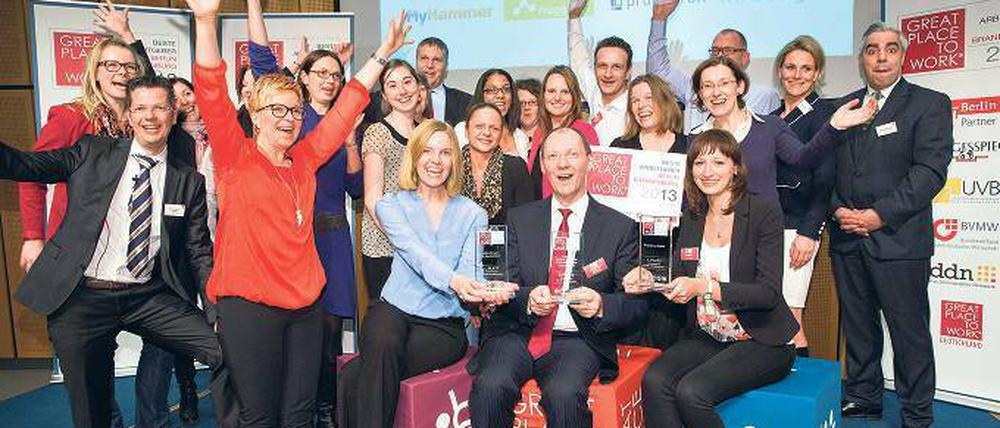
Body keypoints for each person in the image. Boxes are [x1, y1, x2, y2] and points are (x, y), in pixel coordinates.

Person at [186, 0, 410, 424]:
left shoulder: (305, 159)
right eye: (276, 110)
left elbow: (346, 109)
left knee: (300, 413)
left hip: (306, 308)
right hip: (249, 309)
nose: (288, 119)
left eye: (294, 110)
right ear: (254, 113)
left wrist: (382, 53)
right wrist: (204, 19)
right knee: (260, 415)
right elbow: (211, 90)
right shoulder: (235, 157)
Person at [1, 75, 236, 428]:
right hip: (83, 296)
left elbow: (199, 250)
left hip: (148, 296)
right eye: (140, 108)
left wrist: (216, 310)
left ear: (173, 116)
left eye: (159, 107)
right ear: (128, 116)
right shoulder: (92, 151)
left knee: (226, 349)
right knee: (91, 412)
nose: (150, 116)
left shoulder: (189, 180)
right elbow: (28, 166)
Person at [468, 127, 648, 428]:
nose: (562, 164)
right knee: (490, 387)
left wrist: (602, 305)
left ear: (590, 161)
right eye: (553, 156)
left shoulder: (620, 227)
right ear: (543, 165)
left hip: (577, 338)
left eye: (572, 155)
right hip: (516, 333)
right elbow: (500, 282)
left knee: (564, 395)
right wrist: (527, 300)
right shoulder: (517, 219)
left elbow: (636, 306)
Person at [340, 120, 516, 427]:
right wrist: (455, 281)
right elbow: (413, 252)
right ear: (415, 157)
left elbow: (476, 269)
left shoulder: (475, 214)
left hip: (443, 324)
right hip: (393, 308)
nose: (435, 160)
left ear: (454, 160)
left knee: (357, 373)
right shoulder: (391, 205)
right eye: (427, 151)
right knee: (381, 341)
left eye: (445, 152)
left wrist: (484, 290)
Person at [627, 129, 798, 427]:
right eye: (699, 163)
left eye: (718, 163)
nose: (707, 172)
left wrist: (705, 287)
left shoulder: (762, 212)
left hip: (761, 339)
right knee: (654, 380)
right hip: (709, 335)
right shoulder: (693, 214)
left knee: (692, 392)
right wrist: (650, 279)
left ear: (735, 168)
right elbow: (681, 272)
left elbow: (767, 293)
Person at [244, 2, 362, 424]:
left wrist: (350, 146)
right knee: (289, 333)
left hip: (331, 236)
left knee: (329, 333)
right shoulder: (291, 115)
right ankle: (295, 408)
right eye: (321, 73)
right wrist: (253, 5)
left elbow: (357, 188)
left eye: (336, 74)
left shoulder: (345, 122)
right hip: (291, 238)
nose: (329, 80)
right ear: (303, 77)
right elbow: (262, 64)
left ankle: (326, 410)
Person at [831, 23, 952, 427]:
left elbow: (929, 172)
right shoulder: (844, 106)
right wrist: (839, 211)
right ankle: (865, 397)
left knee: (909, 334)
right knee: (860, 329)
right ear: (862, 57)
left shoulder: (929, 103)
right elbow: (828, 171)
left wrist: (879, 215)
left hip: (899, 241)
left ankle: (917, 413)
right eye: (871, 50)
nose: (880, 57)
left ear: (902, 56)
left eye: (889, 50)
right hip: (848, 238)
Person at [688, 56, 874, 203]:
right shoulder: (695, 137)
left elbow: (803, 159)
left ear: (740, 86)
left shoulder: (770, 127)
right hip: (712, 236)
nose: (716, 92)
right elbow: (690, 195)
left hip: (760, 238)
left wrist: (834, 127)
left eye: (724, 83)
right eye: (707, 86)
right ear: (700, 93)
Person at [770, 35, 836, 357]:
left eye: (806, 68)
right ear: (780, 70)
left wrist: (808, 233)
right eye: (791, 67)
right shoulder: (770, 117)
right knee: (772, 314)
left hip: (798, 228)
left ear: (817, 73)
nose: (797, 75)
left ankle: (799, 395)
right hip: (768, 226)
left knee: (792, 316)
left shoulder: (825, 115)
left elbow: (825, 182)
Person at [647, 0, 781, 132]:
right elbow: (658, 72)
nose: (720, 56)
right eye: (715, 51)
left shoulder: (764, 96)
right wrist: (659, 19)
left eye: (728, 50)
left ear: (745, 58)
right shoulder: (693, 89)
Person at [361, 59, 424, 307]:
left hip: (421, 243)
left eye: (407, 82)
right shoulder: (377, 132)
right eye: (393, 85)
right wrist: (401, 238)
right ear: (384, 94)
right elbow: (372, 198)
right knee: (389, 317)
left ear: (418, 87)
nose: (402, 91)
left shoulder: (426, 132)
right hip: (384, 244)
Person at [526, 66, 599, 199]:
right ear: (544, 95)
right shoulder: (540, 131)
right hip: (540, 212)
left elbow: (593, 181)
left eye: (565, 91)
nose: (557, 97)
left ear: (574, 96)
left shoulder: (584, 131)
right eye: (551, 91)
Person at [363, 37, 472, 126]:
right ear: (416, 62)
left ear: (446, 65)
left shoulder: (466, 103)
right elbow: (352, 102)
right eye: (424, 58)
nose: (430, 65)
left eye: (437, 60)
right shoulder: (383, 99)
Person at [568, 0, 632, 145]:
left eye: (616, 67)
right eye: (602, 66)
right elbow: (579, 61)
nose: (608, 74)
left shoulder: (635, 106)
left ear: (628, 72)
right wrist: (574, 17)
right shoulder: (595, 91)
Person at [461, 102, 537, 225]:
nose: (486, 133)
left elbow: (526, 221)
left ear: (501, 133)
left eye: (494, 128)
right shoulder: (452, 166)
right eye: (479, 126)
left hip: (507, 243)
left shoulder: (516, 168)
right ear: (466, 131)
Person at [455, 69, 531, 160]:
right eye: (492, 90)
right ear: (481, 95)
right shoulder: (462, 130)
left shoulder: (520, 137)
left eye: (506, 89)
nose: (500, 95)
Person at [610, 74, 687, 154]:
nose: (641, 105)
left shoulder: (689, 146)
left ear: (665, 102)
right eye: (635, 100)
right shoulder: (619, 148)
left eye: (649, 97)